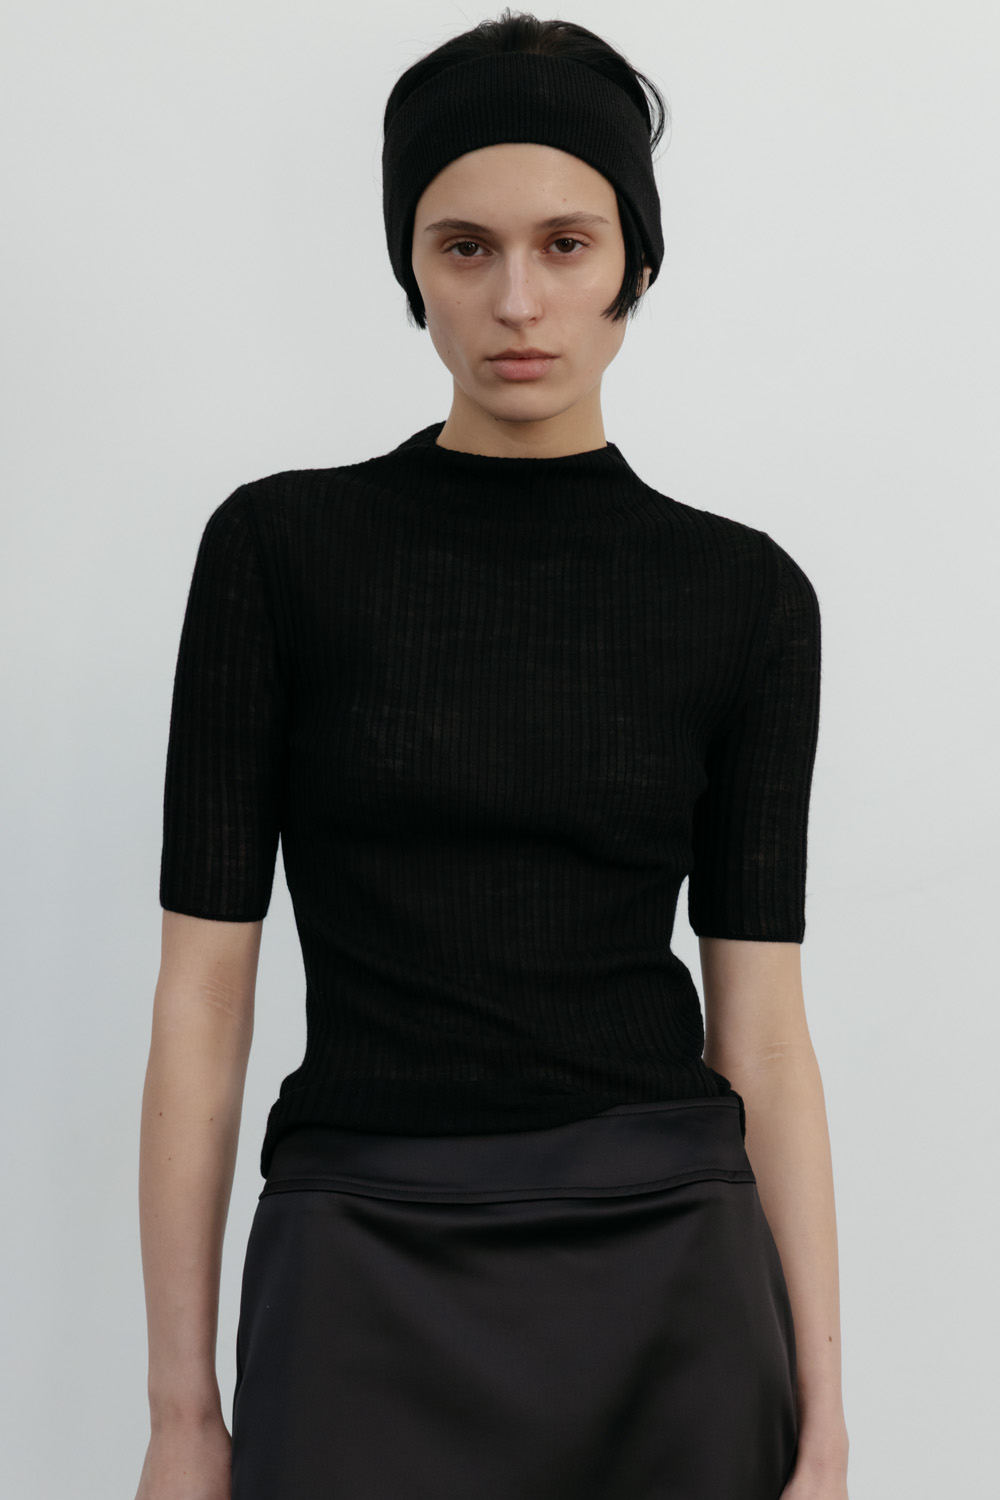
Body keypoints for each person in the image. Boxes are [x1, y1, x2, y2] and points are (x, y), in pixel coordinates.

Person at [134, 10, 849, 1499]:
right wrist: (182, 1413)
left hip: (670, 1271)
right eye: (465, 247)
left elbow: (766, 1030)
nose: (518, 300)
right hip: (357, 1253)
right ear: (411, 266)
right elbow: (204, 998)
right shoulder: (279, 552)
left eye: (567, 245)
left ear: (635, 263)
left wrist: (826, 1423)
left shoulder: (745, 596)